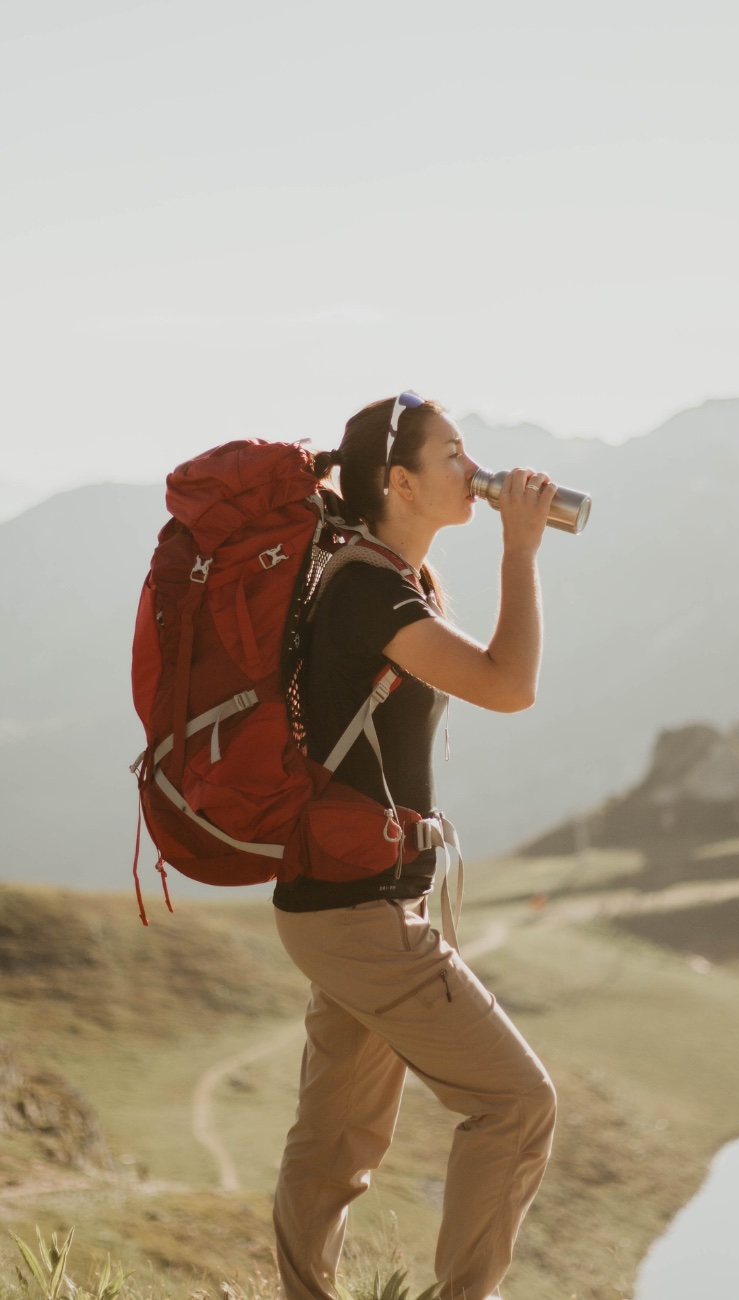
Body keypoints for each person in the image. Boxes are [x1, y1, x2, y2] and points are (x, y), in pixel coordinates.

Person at [272, 393, 559, 1300]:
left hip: (341, 898)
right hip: (358, 912)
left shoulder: (387, 578)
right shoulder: (367, 588)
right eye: (454, 456)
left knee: (333, 1144)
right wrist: (520, 549)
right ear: (399, 481)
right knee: (517, 1104)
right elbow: (509, 685)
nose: (473, 470)